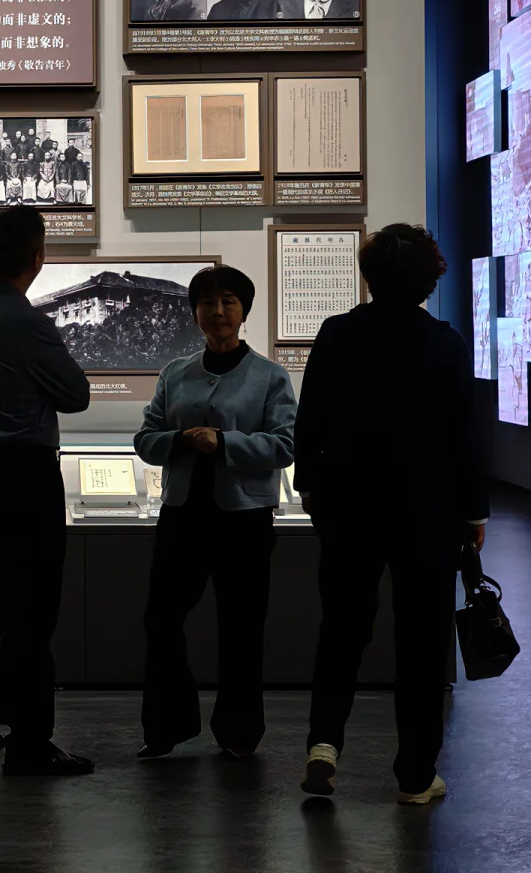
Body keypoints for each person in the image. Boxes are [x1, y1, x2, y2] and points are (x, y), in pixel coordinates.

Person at [296, 225, 489, 806]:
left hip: (349, 508)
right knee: (422, 643)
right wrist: (473, 512)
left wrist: (312, 491)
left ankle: (324, 744)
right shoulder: (445, 343)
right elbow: (466, 437)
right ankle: (415, 775)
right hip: (426, 513)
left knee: (342, 630)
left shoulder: (337, 333)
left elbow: (310, 422)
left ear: (369, 275)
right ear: (429, 280)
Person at [0, 206, 94, 775]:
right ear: (38, 257)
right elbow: (76, 394)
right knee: (30, 614)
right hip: (24, 479)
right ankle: (30, 743)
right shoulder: (27, 321)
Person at [134, 266, 296, 761]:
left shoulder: (270, 376)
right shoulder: (175, 372)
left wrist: (224, 441)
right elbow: (146, 439)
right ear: (195, 312)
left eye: (228, 301)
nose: (218, 311)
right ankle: (166, 727)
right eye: (207, 302)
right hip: (183, 514)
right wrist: (180, 440)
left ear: (244, 311)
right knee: (160, 620)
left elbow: (285, 445)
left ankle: (239, 733)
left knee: (241, 627)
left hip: (243, 519)